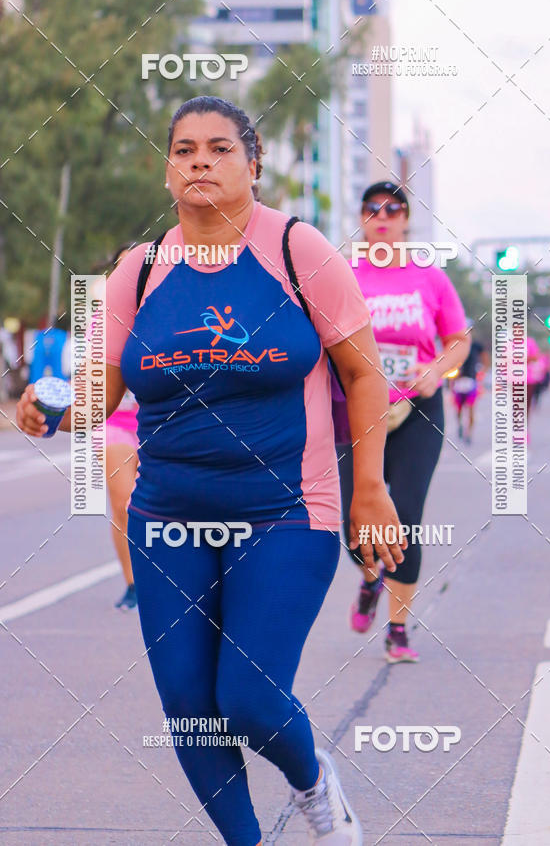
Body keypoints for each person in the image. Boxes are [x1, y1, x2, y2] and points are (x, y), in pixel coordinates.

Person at [17, 97, 408, 846]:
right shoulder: (138, 272)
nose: (201, 161)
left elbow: (363, 376)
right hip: (168, 515)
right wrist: (57, 405)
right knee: (192, 709)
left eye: (220, 148)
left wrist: (371, 488)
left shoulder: (301, 252)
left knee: (252, 700)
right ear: (168, 170)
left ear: (252, 166)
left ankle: (315, 784)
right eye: (185, 149)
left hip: (289, 510)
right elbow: (104, 386)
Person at [338, 181, 470, 663]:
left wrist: (438, 369)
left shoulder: (428, 277)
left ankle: (397, 628)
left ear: (406, 219)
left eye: (393, 209)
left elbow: (458, 339)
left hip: (416, 409)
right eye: (372, 208)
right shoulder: (343, 274)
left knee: (406, 519)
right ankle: (371, 574)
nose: (382, 216)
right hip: (355, 412)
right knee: (354, 525)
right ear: (361, 218)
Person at [103, 246, 140, 611]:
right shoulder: (104, 317)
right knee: (124, 504)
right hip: (116, 423)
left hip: (159, 424)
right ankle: (133, 584)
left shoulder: (164, 310)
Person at [452, 335, 488, 444]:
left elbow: (485, 359)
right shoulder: (456, 344)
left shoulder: (476, 346)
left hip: (471, 381)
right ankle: (460, 425)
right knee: (458, 409)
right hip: (458, 382)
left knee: (471, 408)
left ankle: (469, 433)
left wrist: (482, 372)